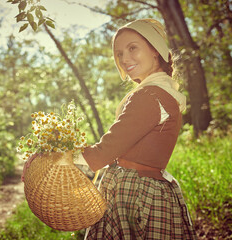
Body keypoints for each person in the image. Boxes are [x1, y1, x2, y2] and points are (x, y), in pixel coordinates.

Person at [76, 18, 197, 239]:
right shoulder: (163, 92)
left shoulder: (150, 96)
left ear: (155, 49)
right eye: (119, 53)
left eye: (133, 48)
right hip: (149, 192)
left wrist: (56, 155)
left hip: (135, 196)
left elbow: (102, 153)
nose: (124, 59)